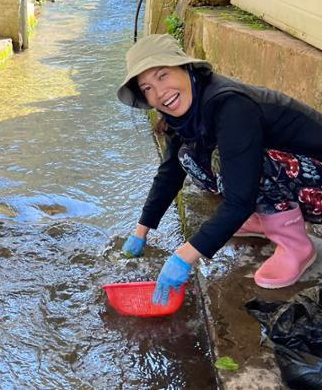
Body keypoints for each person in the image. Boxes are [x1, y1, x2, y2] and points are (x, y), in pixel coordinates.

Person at [117, 34, 322, 305]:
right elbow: (169, 174)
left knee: (251, 163)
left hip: (315, 180)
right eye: (147, 88)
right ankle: (264, 217)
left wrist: (184, 256)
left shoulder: (231, 105)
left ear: (187, 68)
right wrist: (140, 232)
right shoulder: (182, 116)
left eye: (163, 75)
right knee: (189, 157)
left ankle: (296, 246)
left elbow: (239, 199)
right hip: (296, 179)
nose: (159, 92)